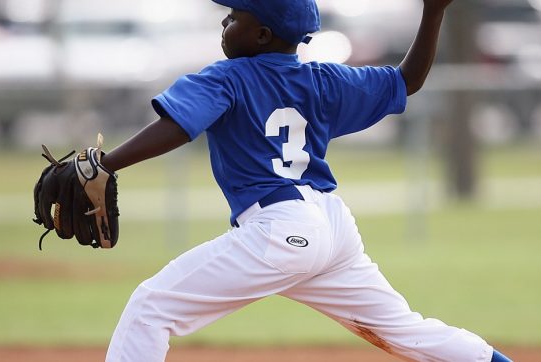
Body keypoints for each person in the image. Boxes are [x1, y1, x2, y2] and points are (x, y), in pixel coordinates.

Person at [103, 0, 512, 361]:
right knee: (408, 331)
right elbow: (408, 80)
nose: (224, 25)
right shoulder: (324, 80)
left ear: (262, 35)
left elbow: (177, 125)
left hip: (279, 231)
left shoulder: (228, 77)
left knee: (151, 307)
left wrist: (107, 164)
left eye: (233, 18)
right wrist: (433, 11)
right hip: (333, 229)